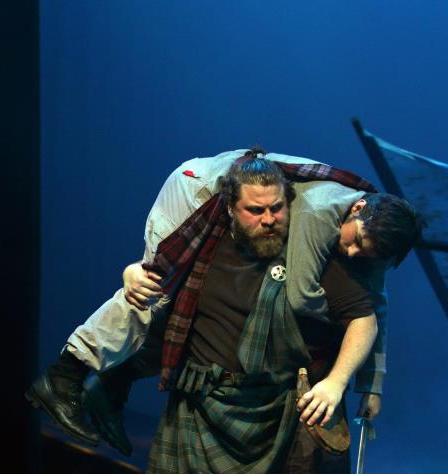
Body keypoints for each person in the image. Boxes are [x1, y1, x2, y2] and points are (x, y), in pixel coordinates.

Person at [26, 148, 417, 453]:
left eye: (366, 254)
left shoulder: (375, 232)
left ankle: (111, 386)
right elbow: (301, 297)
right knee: (152, 291)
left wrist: (372, 384)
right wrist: (344, 321)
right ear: (359, 208)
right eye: (356, 242)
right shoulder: (319, 211)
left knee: (199, 307)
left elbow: (374, 306)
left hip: (242, 206)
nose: (353, 254)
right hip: (198, 191)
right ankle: (64, 377)